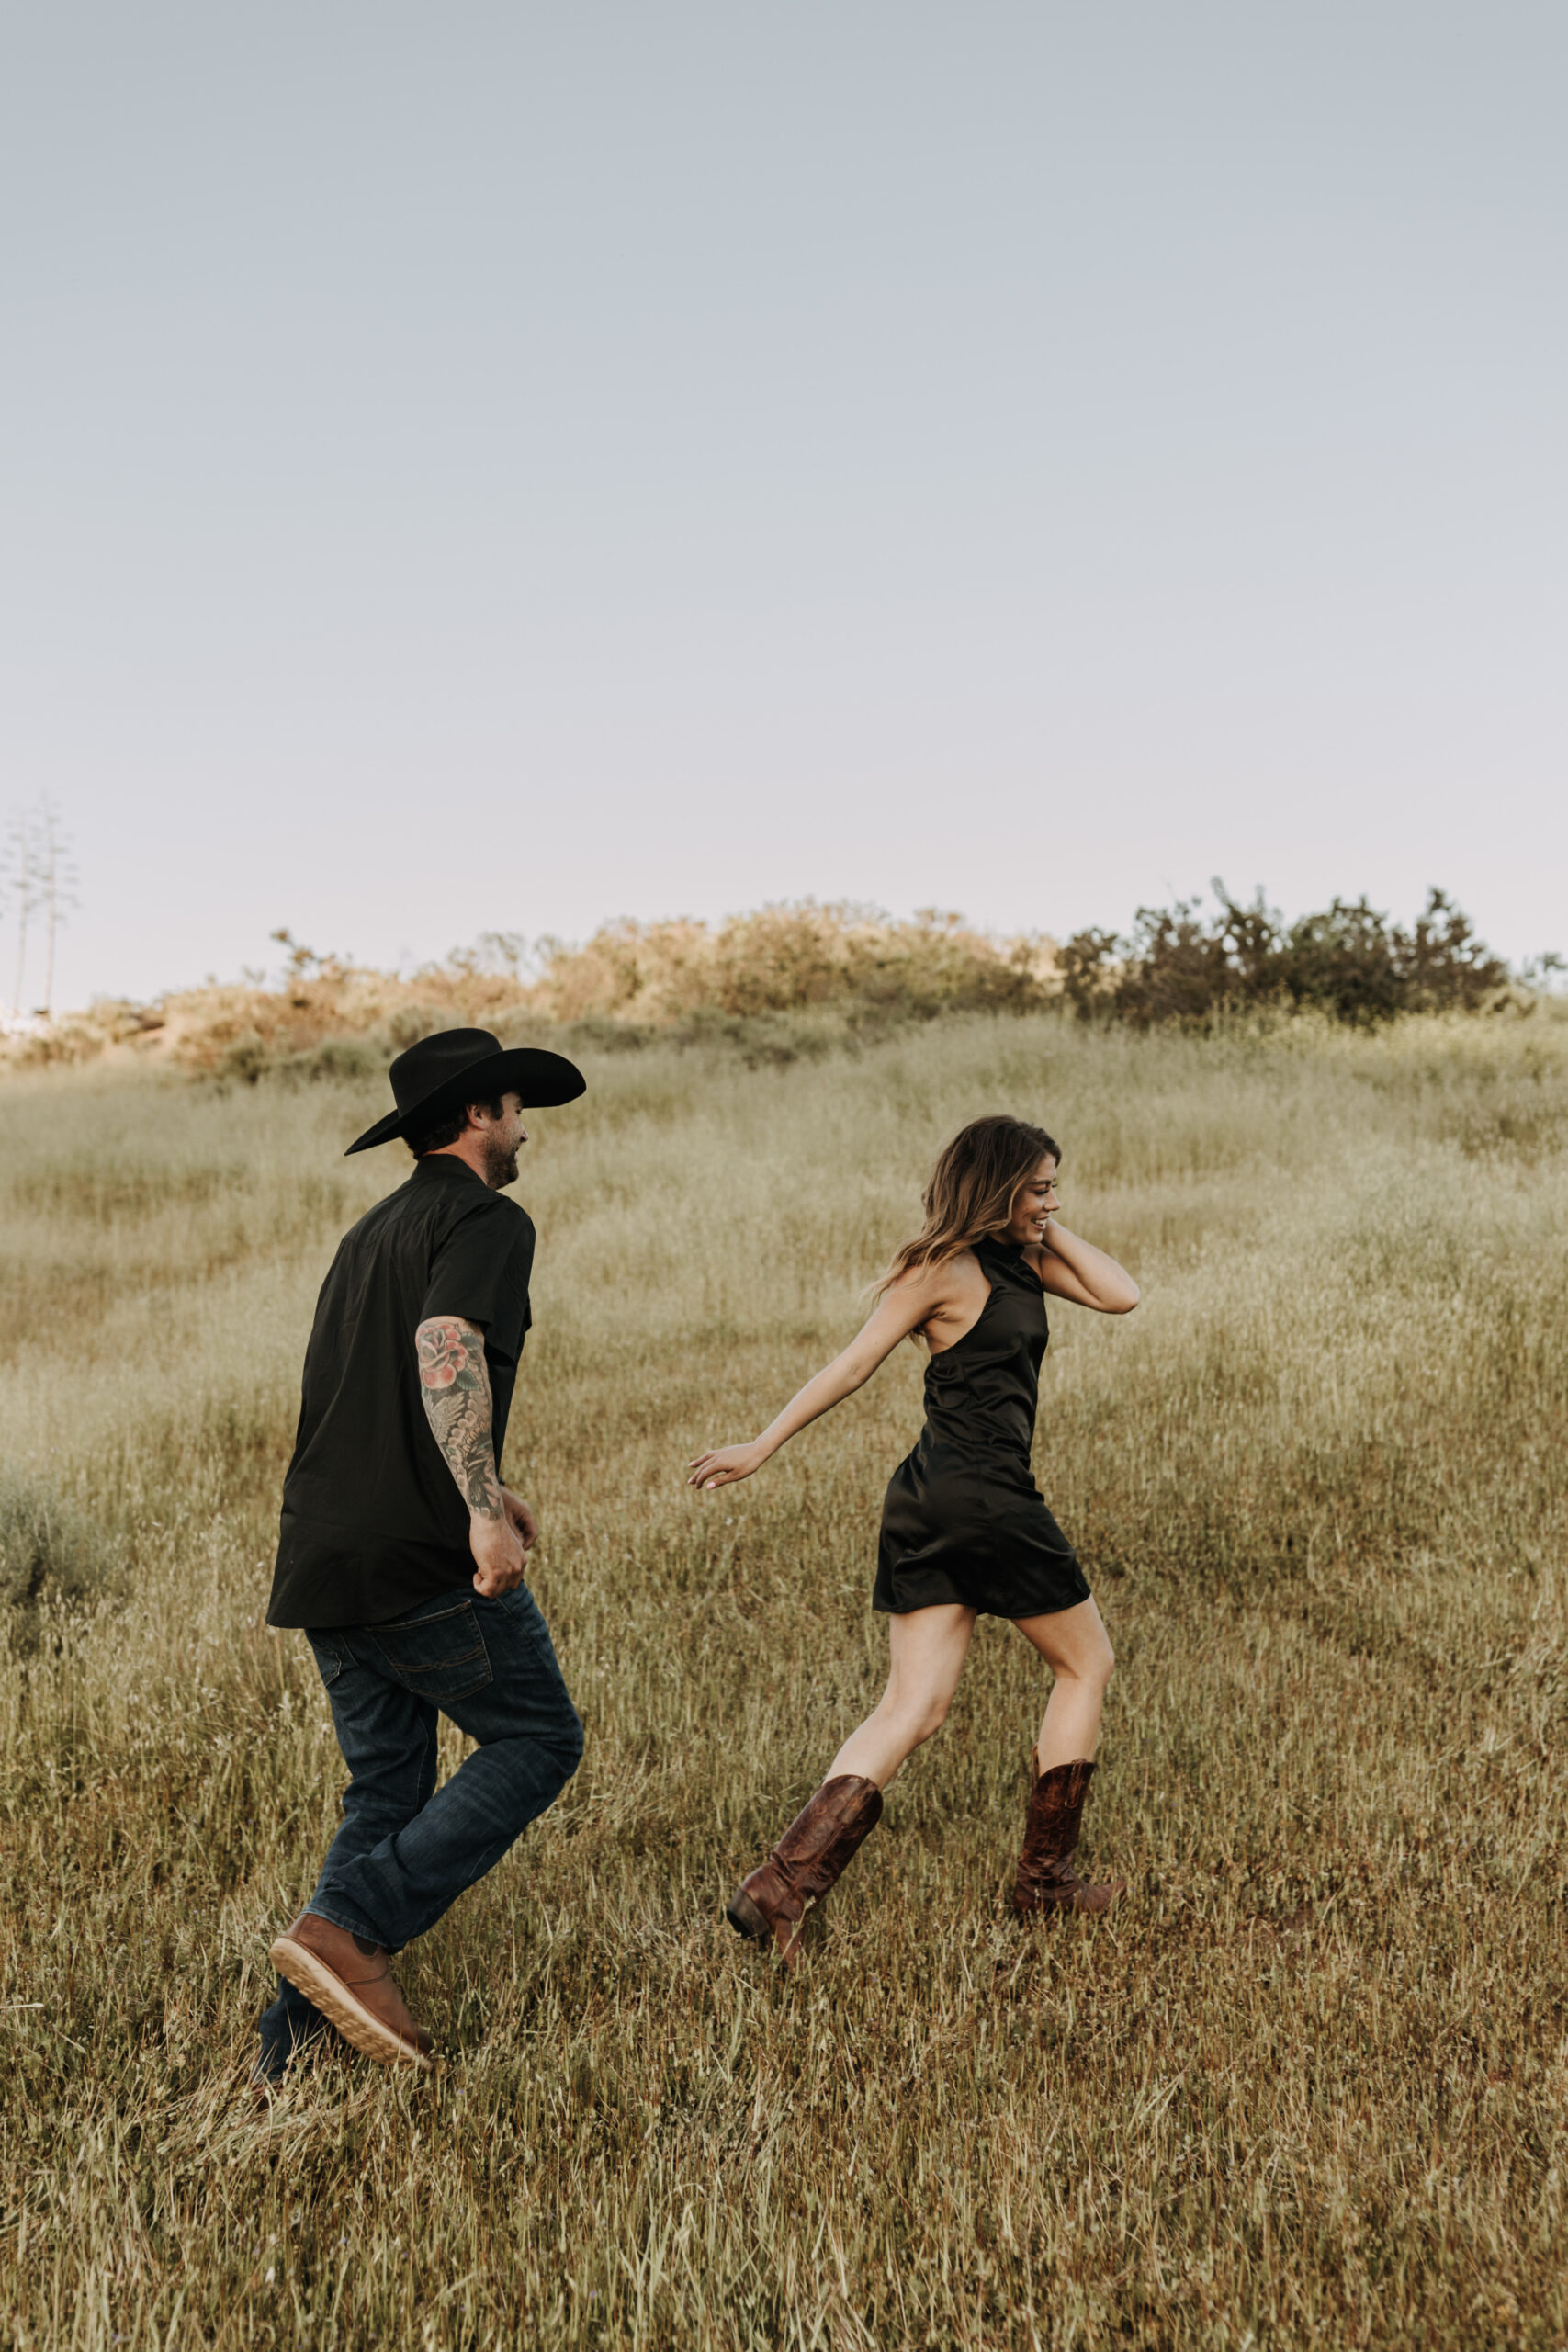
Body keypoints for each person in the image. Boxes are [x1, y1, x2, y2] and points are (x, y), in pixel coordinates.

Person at [687, 1114, 1139, 1969]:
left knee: (914, 1706)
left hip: (928, 1501)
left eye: (1053, 1188)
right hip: (989, 1499)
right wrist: (761, 1443)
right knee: (1086, 1666)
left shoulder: (1022, 1258)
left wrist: (1040, 1220)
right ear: (998, 1185)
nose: (1052, 1200)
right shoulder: (942, 1270)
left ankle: (777, 1890)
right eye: (1038, 1186)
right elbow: (851, 1365)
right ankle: (1044, 1885)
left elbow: (1122, 1294)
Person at [254, 1027, 588, 2089]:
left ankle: (288, 2056)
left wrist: (490, 1480)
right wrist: (478, 1514)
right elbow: (445, 1347)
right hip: (414, 1557)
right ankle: (351, 1928)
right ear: (483, 1114)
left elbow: (367, 1391)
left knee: (387, 1789)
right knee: (538, 1738)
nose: (523, 1125)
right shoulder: (489, 1217)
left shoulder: (372, 1231)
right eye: (515, 1107)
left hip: (322, 1553)